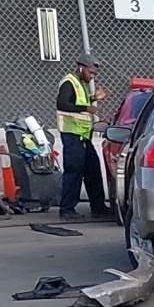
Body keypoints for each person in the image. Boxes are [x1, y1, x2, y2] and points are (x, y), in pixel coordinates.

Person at [56, 53, 110, 220]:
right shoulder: (69, 82)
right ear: (82, 68)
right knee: (74, 171)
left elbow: (77, 101)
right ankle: (67, 210)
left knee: (92, 170)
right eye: (90, 72)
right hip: (72, 135)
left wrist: (93, 98)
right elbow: (63, 103)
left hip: (83, 136)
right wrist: (86, 108)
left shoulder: (80, 84)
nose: (92, 77)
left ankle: (98, 207)